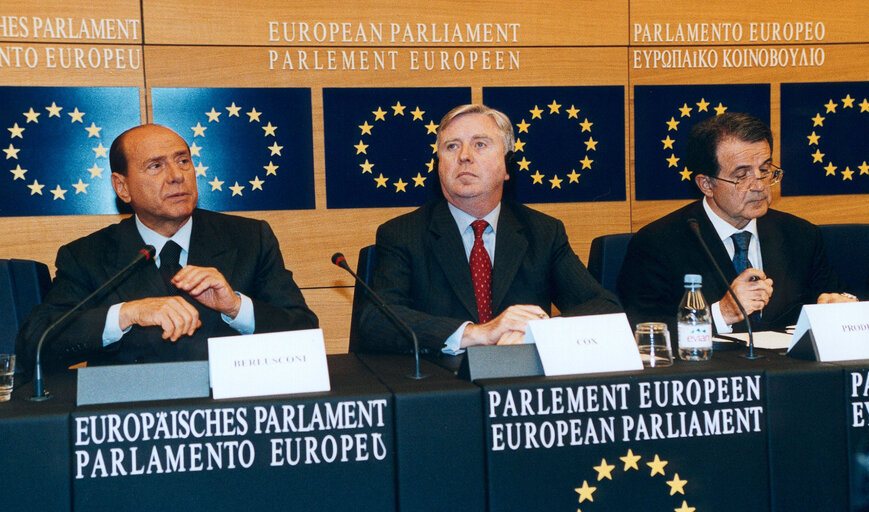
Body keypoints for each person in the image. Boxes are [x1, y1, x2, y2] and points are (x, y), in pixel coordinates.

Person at [16, 124, 318, 371]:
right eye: (156, 166)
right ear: (122, 187)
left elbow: (305, 333)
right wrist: (126, 313)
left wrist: (236, 308)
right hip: (131, 424)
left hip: (230, 418)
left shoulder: (249, 238)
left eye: (183, 161)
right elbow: (37, 343)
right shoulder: (87, 255)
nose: (176, 175)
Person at [358, 104, 621, 354]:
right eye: (452, 147)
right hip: (442, 385)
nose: (464, 156)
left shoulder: (542, 232)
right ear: (439, 166)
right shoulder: (403, 234)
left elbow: (604, 307)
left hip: (520, 386)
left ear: (507, 166)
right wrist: (477, 333)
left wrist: (535, 332)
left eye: (480, 144)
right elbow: (377, 321)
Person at [617, 112, 855, 334]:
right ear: (706, 184)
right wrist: (720, 314)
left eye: (764, 170)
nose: (759, 185)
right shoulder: (658, 244)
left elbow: (831, 299)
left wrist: (842, 307)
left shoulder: (800, 235)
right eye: (742, 176)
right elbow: (644, 331)